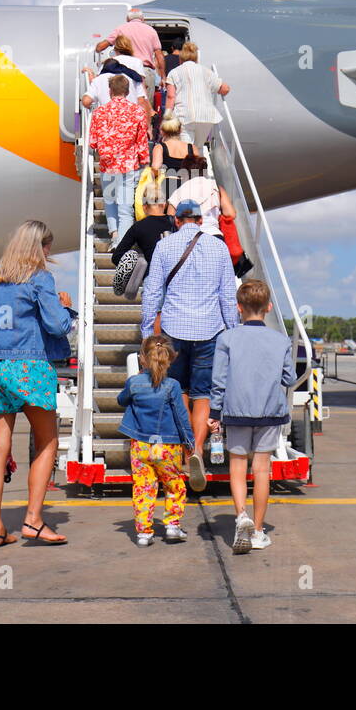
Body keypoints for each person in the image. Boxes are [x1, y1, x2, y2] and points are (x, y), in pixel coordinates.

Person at [0, 220, 75, 548]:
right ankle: (33, 520)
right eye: (48, 247)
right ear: (40, 247)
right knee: (47, 442)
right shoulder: (39, 278)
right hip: (28, 366)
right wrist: (65, 306)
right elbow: (57, 325)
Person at [140, 199, 239, 491]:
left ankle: (184, 451)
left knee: (179, 390)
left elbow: (153, 291)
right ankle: (197, 449)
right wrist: (233, 331)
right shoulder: (218, 247)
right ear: (199, 219)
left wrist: (147, 330)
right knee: (204, 394)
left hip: (174, 329)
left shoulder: (164, 247)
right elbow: (227, 297)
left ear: (177, 220)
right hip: (210, 329)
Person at [209, 280, 296, 553]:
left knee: (237, 467)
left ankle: (241, 516)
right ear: (268, 308)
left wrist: (214, 412)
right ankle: (258, 531)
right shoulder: (281, 340)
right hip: (270, 412)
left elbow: (219, 380)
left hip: (235, 411)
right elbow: (289, 377)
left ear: (238, 308)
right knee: (261, 471)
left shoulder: (227, 339)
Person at [118, 335, 194, 546]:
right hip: (167, 446)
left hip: (140, 445)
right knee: (174, 485)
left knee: (143, 488)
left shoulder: (134, 382)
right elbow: (181, 416)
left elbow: (121, 400)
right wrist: (190, 442)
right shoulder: (173, 386)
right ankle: (172, 526)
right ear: (171, 358)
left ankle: (144, 533)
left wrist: (135, 382)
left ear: (142, 358)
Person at [88, 74, 149, 248]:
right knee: (125, 208)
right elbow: (142, 141)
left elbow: (93, 142)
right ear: (128, 91)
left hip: (107, 164)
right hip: (128, 164)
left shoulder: (99, 112)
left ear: (110, 91)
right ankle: (121, 244)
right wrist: (144, 161)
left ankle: (114, 235)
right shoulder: (137, 111)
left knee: (110, 201)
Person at [166, 42, 229, 150]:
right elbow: (225, 89)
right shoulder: (206, 72)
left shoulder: (174, 73)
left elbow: (171, 97)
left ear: (180, 58)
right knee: (198, 148)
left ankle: (188, 166)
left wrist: (167, 117)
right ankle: (197, 165)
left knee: (186, 149)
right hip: (206, 116)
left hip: (185, 115)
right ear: (196, 58)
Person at [166, 154, 236, 238]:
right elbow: (231, 213)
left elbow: (170, 218)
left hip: (188, 237)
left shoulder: (179, 191)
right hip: (214, 235)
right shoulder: (215, 187)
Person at [112, 184, 176, 266]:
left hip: (151, 274)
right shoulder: (176, 222)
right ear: (164, 204)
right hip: (177, 275)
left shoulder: (138, 227)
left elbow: (116, 257)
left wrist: (140, 266)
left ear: (144, 207)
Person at [96, 8, 165, 80]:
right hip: (145, 71)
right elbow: (159, 55)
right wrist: (163, 76)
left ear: (127, 19)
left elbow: (99, 48)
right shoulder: (151, 31)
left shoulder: (120, 29)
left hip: (125, 71)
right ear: (142, 19)